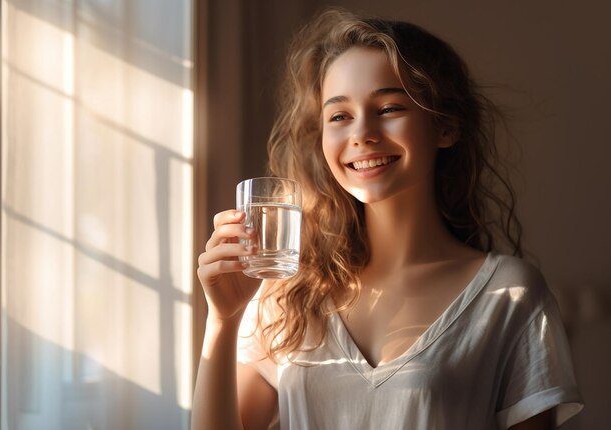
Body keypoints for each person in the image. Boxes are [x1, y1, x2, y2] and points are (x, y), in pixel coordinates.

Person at [193, 8, 583, 430]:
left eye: (390, 107)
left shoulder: (511, 294)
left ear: (446, 126)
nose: (362, 133)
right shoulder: (284, 297)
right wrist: (223, 319)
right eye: (339, 116)